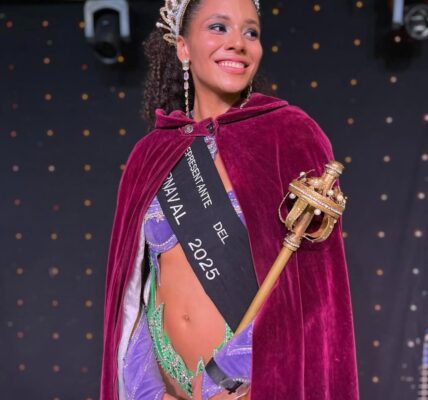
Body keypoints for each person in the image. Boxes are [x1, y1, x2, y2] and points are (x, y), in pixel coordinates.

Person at [100, 0, 359, 399]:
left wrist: (229, 378)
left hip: (254, 388)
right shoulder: (150, 154)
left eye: (250, 32)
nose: (238, 42)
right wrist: (146, 391)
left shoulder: (290, 137)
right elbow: (133, 294)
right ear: (183, 47)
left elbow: (310, 293)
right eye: (219, 27)